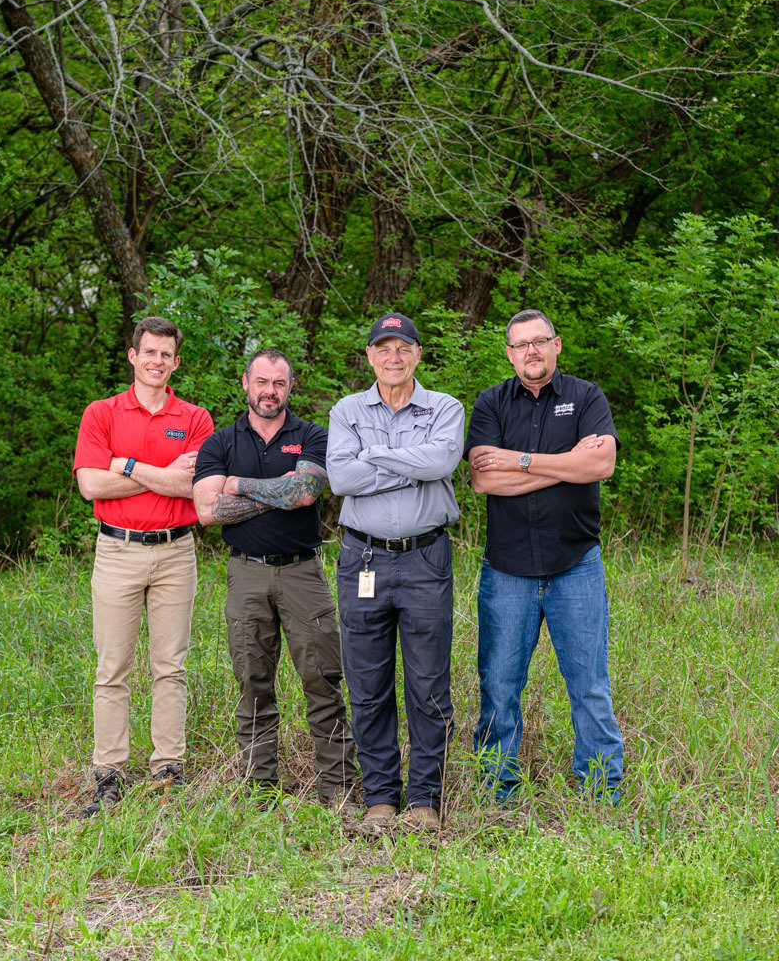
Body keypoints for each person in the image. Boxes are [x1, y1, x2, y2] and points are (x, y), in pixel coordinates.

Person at [465, 308, 624, 804]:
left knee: (589, 685)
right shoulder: (491, 403)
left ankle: (600, 791)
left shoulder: (586, 396)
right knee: (499, 685)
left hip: (575, 563)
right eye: (520, 344)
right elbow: (483, 479)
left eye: (539, 341)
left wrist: (522, 461)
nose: (530, 351)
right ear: (509, 354)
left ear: (556, 345)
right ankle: (497, 790)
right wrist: (568, 464)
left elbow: (601, 463)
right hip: (506, 569)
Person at [192, 348, 356, 809]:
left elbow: (304, 492)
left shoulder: (312, 435)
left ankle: (338, 790)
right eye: (262, 382)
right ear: (246, 383)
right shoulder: (220, 443)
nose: (270, 391)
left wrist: (238, 485)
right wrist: (279, 493)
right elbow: (207, 511)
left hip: (303, 573)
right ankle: (259, 792)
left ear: (290, 387)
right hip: (246, 574)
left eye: (279, 383)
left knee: (323, 680)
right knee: (252, 683)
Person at [326, 314, 464, 833]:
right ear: (369, 356)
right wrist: (411, 464)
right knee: (368, 685)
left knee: (428, 684)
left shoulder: (445, 407)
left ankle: (425, 800)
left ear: (418, 354)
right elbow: (341, 477)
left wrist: (375, 456)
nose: (394, 358)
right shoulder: (346, 411)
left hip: (425, 559)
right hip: (363, 558)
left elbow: (441, 463)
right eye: (383, 349)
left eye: (403, 348)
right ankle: (381, 798)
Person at [74, 316, 213, 816]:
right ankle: (108, 773)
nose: (157, 361)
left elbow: (193, 487)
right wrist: (161, 475)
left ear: (176, 362)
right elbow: (91, 485)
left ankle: (167, 769)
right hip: (118, 551)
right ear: (133, 356)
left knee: (170, 667)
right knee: (112, 668)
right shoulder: (102, 413)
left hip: (176, 552)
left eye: (166, 354)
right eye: (149, 352)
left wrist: (127, 465)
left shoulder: (195, 419)